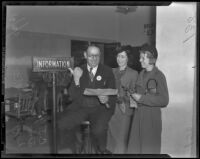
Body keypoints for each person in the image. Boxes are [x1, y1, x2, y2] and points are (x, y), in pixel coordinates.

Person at [57, 45, 117, 154]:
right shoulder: (79, 70)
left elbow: (113, 93)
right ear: (85, 55)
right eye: (91, 56)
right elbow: (72, 95)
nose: (94, 58)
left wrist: (107, 99)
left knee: (98, 130)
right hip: (81, 107)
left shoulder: (107, 71)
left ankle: (102, 150)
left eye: (97, 56)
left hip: (100, 108)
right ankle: (76, 149)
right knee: (62, 123)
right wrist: (76, 79)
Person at [127, 43, 169, 154]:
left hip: (151, 119)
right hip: (137, 117)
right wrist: (132, 97)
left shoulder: (159, 76)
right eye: (140, 57)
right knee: (134, 149)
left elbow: (164, 100)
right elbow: (139, 93)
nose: (140, 60)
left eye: (142, 58)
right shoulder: (141, 74)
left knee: (149, 151)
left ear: (151, 58)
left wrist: (141, 98)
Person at [106, 46, 138, 153]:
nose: (119, 59)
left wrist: (124, 97)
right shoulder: (111, 71)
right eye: (118, 56)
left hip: (124, 111)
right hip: (111, 111)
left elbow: (134, 95)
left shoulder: (133, 73)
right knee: (111, 142)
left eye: (123, 57)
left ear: (128, 58)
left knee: (121, 141)